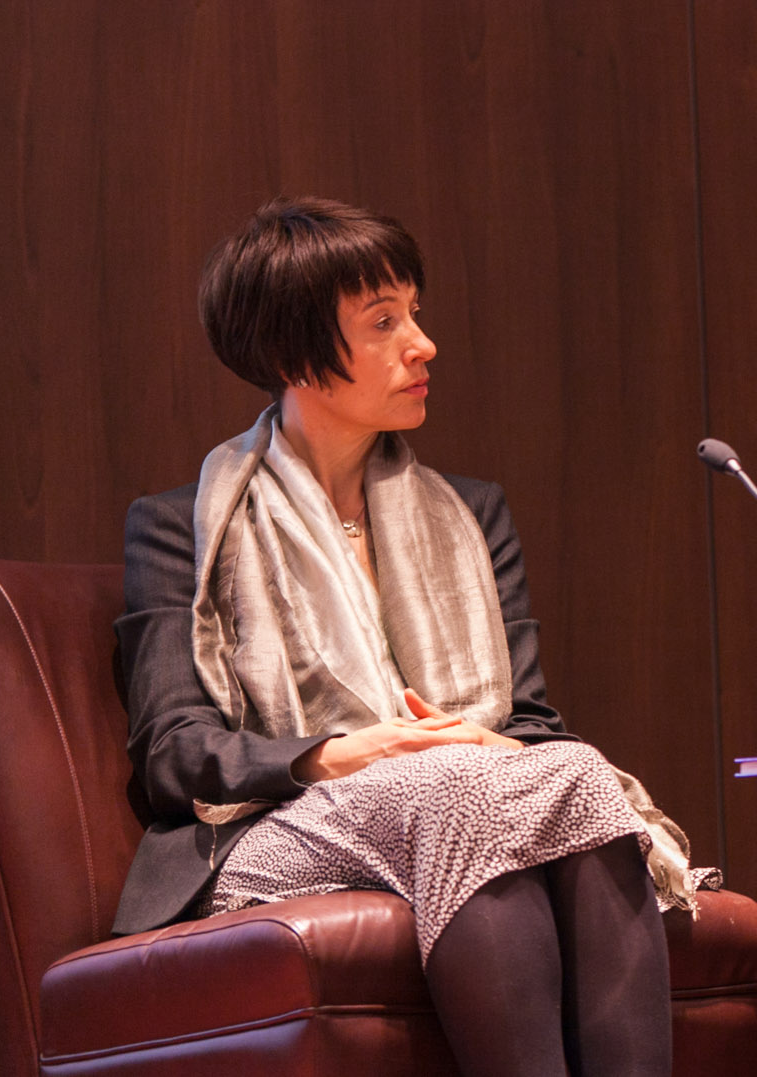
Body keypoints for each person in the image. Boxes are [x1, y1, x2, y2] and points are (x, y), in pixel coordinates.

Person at [113, 198, 714, 1077]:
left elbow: (532, 727)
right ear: (292, 353)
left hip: (455, 797)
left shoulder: (471, 514)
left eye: (415, 313)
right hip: (265, 829)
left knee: (564, 772)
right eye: (384, 322)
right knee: (453, 785)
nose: (423, 343)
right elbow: (174, 755)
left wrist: (478, 739)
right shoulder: (180, 527)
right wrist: (340, 752)